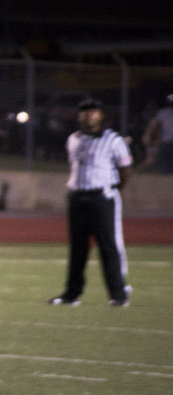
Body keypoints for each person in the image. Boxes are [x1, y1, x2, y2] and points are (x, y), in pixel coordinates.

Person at [49, 98, 133, 307]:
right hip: (77, 198)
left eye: (93, 111)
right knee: (77, 249)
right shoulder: (73, 139)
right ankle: (71, 294)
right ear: (79, 116)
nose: (88, 115)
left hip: (102, 197)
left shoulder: (113, 140)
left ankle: (118, 295)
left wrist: (112, 189)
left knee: (108, 247)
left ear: (101, 115)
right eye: (84, 112)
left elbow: (126, 170)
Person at [142, 94, 173, 174]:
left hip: (165, 140)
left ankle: (167, 177)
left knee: (164, 162)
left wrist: (150, 137)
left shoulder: (161, 112)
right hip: (165, 140)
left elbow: (154, 126)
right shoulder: (162, 113)